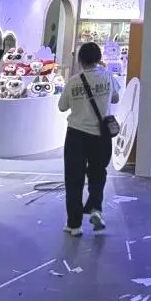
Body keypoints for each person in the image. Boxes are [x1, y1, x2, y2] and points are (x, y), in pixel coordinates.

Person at [58, 41, 118, 235]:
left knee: (73, 178)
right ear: (99, 59)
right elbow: (116, 97)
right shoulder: (108, 77)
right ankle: (95, 209)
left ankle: (74, 225)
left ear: (80, 60)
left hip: (76, 134)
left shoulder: (74, 81)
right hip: (101, 135)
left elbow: (62, 106)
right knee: (98, 173)